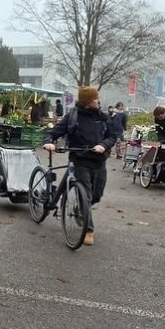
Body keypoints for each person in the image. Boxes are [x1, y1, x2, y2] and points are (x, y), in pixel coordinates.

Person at [42, 86, 119, 246]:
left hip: (99, 161)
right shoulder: (73, 117)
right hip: (79, 161)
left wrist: (104, 145)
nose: (98, 100)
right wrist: (49, 142)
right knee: (87, 195)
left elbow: (112, 136)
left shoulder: (103, 117)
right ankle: (89, 230)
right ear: (88, 101)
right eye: (96, 98)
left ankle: (82, 209)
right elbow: (53, 133)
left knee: (96, 195)